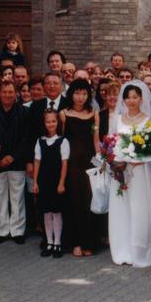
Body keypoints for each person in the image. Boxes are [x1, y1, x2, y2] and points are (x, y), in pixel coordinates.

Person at [107, 81, 151, 267]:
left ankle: (139, 248)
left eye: (135, 97)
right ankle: (122, 248)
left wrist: (132, 162)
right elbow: (111, 144)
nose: (131, 100)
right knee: (122, 208)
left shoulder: (148, 120)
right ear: (123, 100)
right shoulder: (117, 119)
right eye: (128, 97)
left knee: (139, 208)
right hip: (120, 173)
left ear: (141, 98)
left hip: (140, 171)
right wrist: (115, 161)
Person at [59, 78, 100, 257]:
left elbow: (96, 140)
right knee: (74, 202)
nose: (80, 97)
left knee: (88, 201)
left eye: (84, 93)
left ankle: (88, 242)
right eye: (77, 93)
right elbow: (61, 140)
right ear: (71, 94)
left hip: (89, 164)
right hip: (71, 164)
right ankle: (75, 243)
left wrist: (100, 162)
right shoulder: (63, 114)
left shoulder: (94, 113)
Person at [0, 81, 30, 244]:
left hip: (17, 161)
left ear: (16, 94)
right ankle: (1, 230)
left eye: (10, 92)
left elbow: (26, 138)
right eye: (4, 92)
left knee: (17, 197)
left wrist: (12, 156)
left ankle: (18, 231)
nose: (7, 95)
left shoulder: (24, 112)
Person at [33, 109, 69, 257]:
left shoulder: (63, 141)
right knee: (46, 212)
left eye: (53, 121)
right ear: (44, 123)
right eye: (48, 121)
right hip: (44, 181)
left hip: (56, 181)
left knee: (57, 212)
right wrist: (35, 182)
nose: (51, 124)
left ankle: (57, 243)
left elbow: (64, 163)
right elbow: (37, 162)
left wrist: (61, 183)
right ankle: (49, 242)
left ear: (58, 122)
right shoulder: (40, 141)